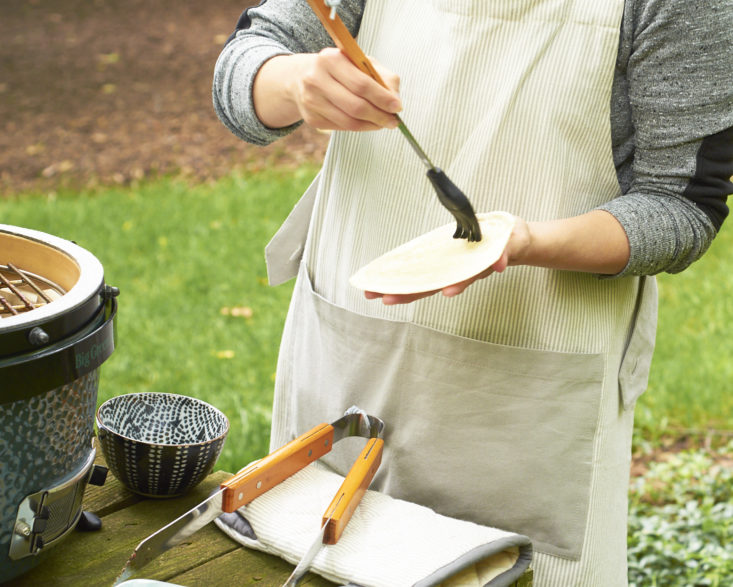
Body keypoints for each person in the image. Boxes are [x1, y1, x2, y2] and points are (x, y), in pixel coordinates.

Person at [212, 1, 733, 584]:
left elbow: (680, 205)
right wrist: (295, 81)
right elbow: (242, 72)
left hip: (534, 396)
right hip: (349, 357)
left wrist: (529, 241)